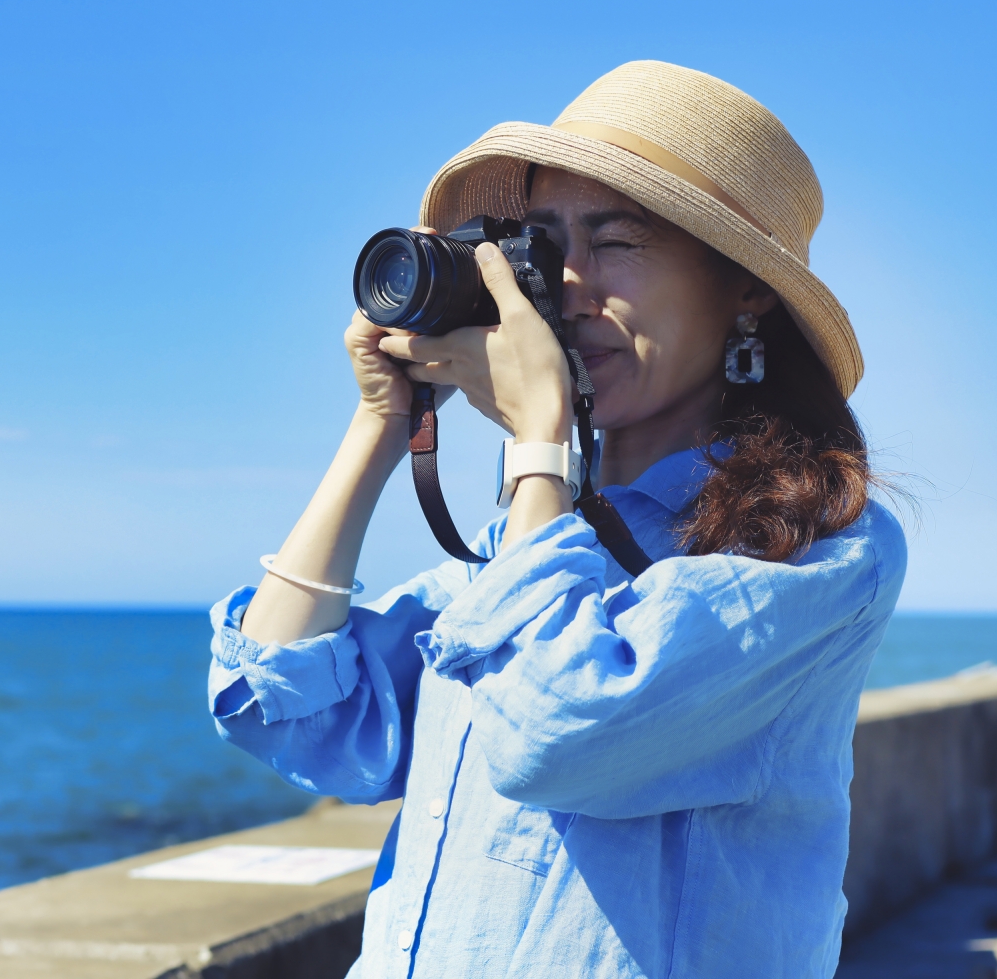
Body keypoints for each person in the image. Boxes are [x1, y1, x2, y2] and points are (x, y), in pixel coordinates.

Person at [208, 60, 905, 978]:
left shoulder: (817, 550)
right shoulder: (520, 547)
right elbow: (287, 710)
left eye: (617, 242)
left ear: (746, 288)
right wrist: (380, 425)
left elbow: (559, 732)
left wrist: (539, 442)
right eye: (540, 246)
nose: (567, 288)